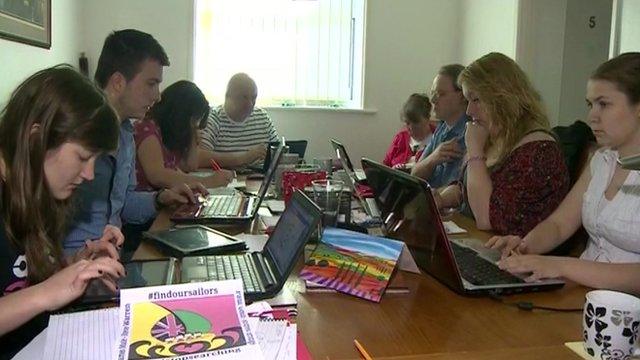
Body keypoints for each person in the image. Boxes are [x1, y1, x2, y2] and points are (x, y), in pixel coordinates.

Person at [487, 53, 640, 295]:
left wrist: (561, 265)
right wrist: (523, 247)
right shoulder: (602, 160)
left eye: (604, 104)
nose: (592, 116)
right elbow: (559, 225)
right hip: (585, 296)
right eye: (591, 104)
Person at [0, 66, 124, 358]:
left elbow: (16, 279)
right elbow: (32, 295)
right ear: (36, 138)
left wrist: (74, 268)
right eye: (83, 157)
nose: (90, 174)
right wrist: (45, 293)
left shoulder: (31, 186)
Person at [64, 29, 197, 255]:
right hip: (76, 263)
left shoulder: (126, 133)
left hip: (112, 255)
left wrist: (159, 199)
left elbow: (122, 204)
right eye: (151, 83)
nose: (158, 96)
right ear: (118, 82)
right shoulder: (76, 134)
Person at [435, 53, 570, 236]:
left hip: (514, 255)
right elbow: (467, 188)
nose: (469, 110)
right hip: (478, 242)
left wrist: (474, 151)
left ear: (502, 97)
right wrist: (442, 199)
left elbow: (486, 218)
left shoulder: (539, 151)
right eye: (468, 101)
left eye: (476, 100)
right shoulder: (494, 137)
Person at [134, 80, 234, 191]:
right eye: (194, 120)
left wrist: (194, 134)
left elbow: (191, 165)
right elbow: (158, 175)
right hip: (145, 204)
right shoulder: (147, 128)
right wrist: (208, 181)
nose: (194, 124)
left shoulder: (167, 135)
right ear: (181, 113)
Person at [198, 73, 278, 169]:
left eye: (254, 98)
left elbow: (279, 152)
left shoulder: (262, 116)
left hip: (259, 179)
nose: (250, 104)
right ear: (228, 97)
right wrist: (244, 157)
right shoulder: (214, 119)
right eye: (244, 97)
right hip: (229, 180)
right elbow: (199, 158)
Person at [411, 64, 469, 188]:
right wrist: (433, 158)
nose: (433, 100)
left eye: (440, 94)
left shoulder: (470, 134)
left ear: (463, 96)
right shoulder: (442, 128)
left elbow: (458, 193)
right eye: (433, 94)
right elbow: (414, 174)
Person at [383, 93, 434, 169]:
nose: (410, 128)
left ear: (428, 119)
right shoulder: (401, 138)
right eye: (407, 123)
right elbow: (385, 165)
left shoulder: (438, 138)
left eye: (415, 123)